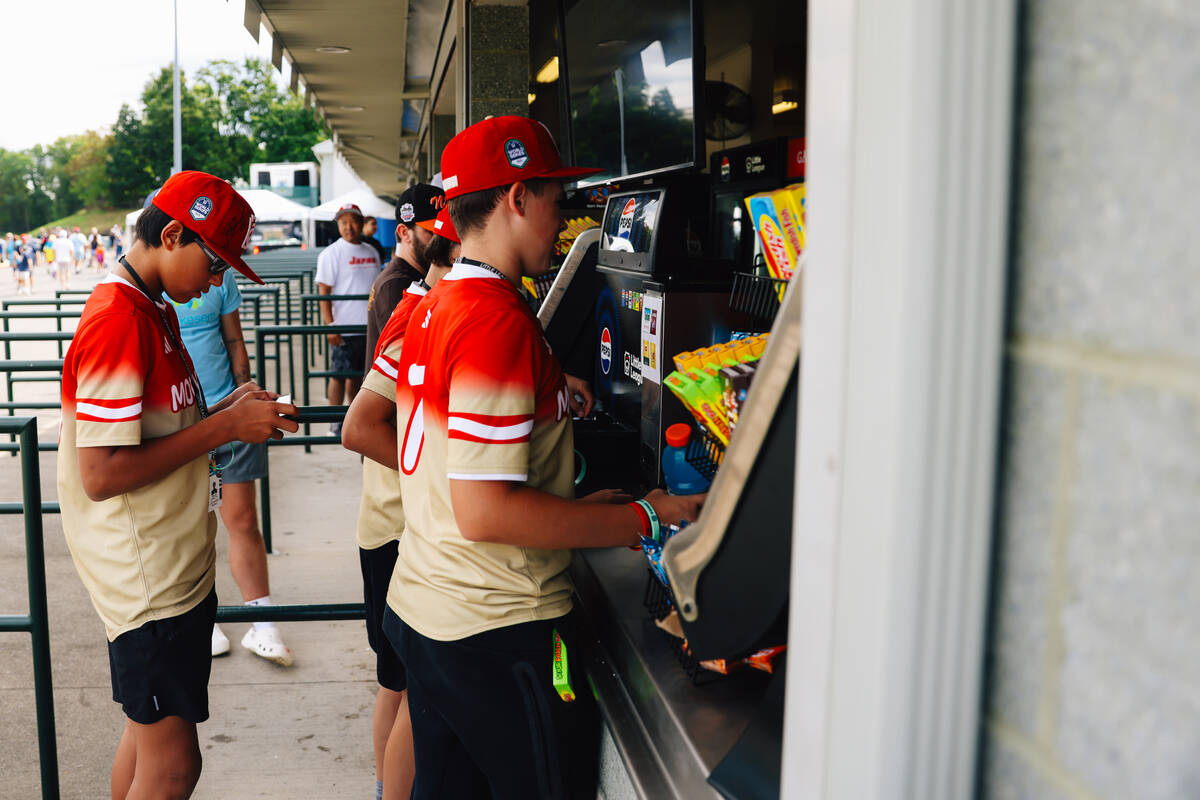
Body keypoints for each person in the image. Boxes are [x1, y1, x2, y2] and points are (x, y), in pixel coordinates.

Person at [384, 116, 706, 799]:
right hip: (496, 630)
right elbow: (485, 509)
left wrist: (568, 512)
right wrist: (644, 518)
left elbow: (464, 478)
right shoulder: (492, 320)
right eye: (557, 202)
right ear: (517, 196)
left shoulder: (436, 304)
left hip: (429, 608)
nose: (563, 223)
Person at [56, 170, 298, 799]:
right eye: (215, 264)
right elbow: (101, 472)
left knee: (146, 746)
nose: (217, 282)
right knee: (173, 766)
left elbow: (161, 427)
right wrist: (222, 429)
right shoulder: (118, 317)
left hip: (166, 568)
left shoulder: (150, 306)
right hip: (147, 581)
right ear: (170, 234)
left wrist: (229, 409)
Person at [341, 208, 457, 800]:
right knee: (406, 688)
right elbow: (358, 429)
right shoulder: (415, 312)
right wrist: (432, 475)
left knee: (401, 687)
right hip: (394, 531)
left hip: (395, 528)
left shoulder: (419, 303)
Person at [165, 267, 294, 666]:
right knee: (182, 524)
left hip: (228, 410)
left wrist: (245, 393)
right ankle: (200, 620)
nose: (211, 277)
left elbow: (233, 338)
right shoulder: (150, 287)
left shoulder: (220, 278)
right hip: (179, 421)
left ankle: (263, 620)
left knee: (242, 520)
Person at [315, 203, 380, 435]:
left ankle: (353, 420)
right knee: (338, 375)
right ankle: (334, 422)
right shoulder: (331, 254)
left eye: (353, 221)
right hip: (344, 326)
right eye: (343, 222)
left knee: (358, 377)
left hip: (368, 327)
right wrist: (330, 326)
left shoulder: (371, 252)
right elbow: (324, 292)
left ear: (361, 223)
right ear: (338, 225)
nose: (348, 227)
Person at [365, 184, 442, 360]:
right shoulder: (396, 283)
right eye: (432, 232)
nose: (442, 240)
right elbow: (404, 359)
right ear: (404, 232)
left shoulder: (411, 273)